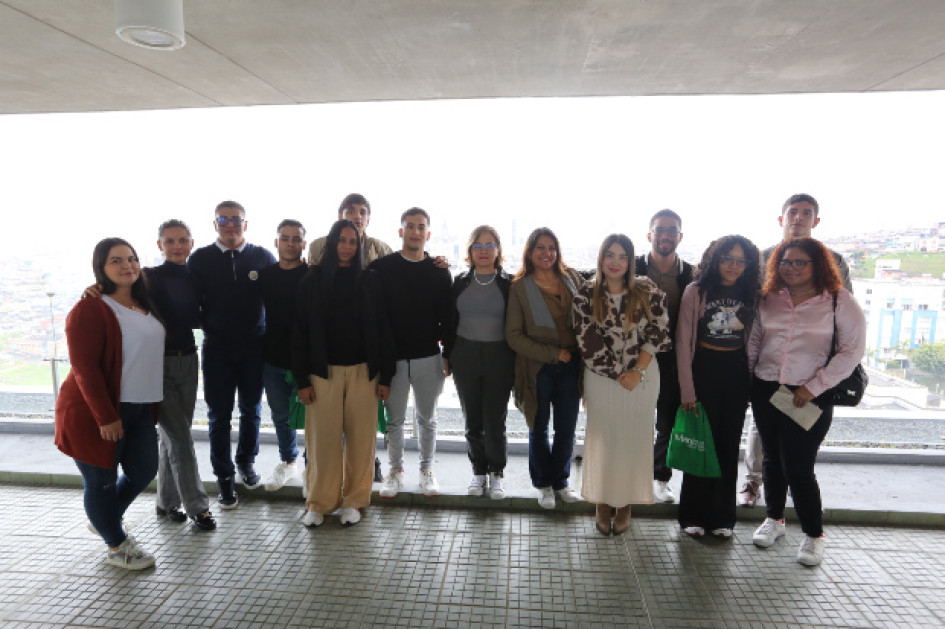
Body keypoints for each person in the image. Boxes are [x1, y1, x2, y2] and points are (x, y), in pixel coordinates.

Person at [748, 237, 865, 566]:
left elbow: (851, 351)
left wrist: (814, 386)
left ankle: (814, 535)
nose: (792, 268)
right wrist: (748, 380)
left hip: (808, 396)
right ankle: (775, 520)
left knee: (798, 467)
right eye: (786, 262)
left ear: (819, 265)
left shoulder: (838, 301)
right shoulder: (769, 298)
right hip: (767, 388)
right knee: (771, 458)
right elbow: (756, 339)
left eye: (801, 262)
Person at [55, 238, 164, 570]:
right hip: (95, 411)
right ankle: (116, 545)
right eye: (116, 260)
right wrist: (105, 416)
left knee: (144, 469)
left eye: (131, 258)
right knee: (101, 480)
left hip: (141, 407)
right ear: (100, 266)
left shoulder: (145, 303)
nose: (126, 265)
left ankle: (105, 518)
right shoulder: (90, 307)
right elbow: (84, 368)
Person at [740, 193, 853, 507]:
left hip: (810, 370)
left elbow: (843, 315)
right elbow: (753, 311)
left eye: (806, 213)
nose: (798, 218)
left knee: (800, 439)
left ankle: (794, 483)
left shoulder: (834, 261)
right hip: (769, 363)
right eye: (792, 212)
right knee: (760, 430)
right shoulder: (762, 258)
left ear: (816, 221)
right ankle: (753, 484)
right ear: (781, 219)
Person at [293, 220, 394, 526]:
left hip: (365, 372)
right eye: (342, 240)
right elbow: (299, 332)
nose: (348, 246)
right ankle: (318, 503)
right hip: (323, 374)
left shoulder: (371, 280)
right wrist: (302, 379)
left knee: (362, 442)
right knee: (322, 443)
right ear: (332, 243)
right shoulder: (312, 281)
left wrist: (386, 376)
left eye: (353, 241)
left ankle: (354, 500)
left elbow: (383, 328)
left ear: (360, 245)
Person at [573, 234, 670, 534]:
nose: (615, 262)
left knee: (634, 439)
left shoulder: (646, 290)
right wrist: (620, 373)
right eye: (609, 255)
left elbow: (660, 329)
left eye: (622, 256)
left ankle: (625, 503)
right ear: (601, 259)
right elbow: (587, 343)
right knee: (605, 438)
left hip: (642, 377)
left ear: (630, 260)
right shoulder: (585, 295)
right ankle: (603, 502)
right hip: (602, 378)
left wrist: (636, 371)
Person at [187, 200, 276, 508]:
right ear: (215, 225)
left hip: (255, 346)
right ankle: (224, 477)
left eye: (236, 219)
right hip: (217, 347)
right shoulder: (199, 259)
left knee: (251, 410)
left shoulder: (262, 257)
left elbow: (278, 297)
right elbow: (188, 302)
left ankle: (246, 463)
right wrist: (212, 323)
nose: (230, 225)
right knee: (218, 415)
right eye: (223, 220)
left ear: (245, 224)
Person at [675, 235, 761, 538]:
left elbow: (754, 342)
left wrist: (749, 388)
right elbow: (683, 344)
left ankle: (722, 518)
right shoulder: (696, 291)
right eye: (727, 258)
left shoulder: (752, 292)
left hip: (736, 373)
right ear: (715, 259)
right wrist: (687, 390)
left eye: (741, 260)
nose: (733, 265)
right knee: (700, 444)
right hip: (703, 370)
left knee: (727, 447)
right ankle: (692, 515)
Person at [371, 208, 452, 497]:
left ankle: (426, 470)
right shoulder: (382, 268)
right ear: (401, 231)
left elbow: (449, 316)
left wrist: (448, 354)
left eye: (421, 227)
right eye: (410, 226)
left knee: (427, 419)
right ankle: (395, 471)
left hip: (428, 356)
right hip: (392, 360)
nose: (415, 232)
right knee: (394, 420)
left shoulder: (439, 271)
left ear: (428, 234)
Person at [506, 227, 585, 509]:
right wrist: (553, 353)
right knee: (538, 427)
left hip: (572, 365)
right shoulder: (519, 287)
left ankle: (561, 481)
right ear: (530, 251)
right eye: (540, 247)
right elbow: (513, 336)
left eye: (551, 247)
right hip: (537, 367)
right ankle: (543, 484)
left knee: (567, 427)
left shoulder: (571, 279)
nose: (546, 253)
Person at [149, 221, 216, 530]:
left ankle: (165, 502)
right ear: (160, 245)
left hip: (188, 360)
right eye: (170, 241)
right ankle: (198, 507)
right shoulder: (148, 277)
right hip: (156, 364)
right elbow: (117, 296)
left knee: (173, 437)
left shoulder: (197, 278)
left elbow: (202, 315)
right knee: (180, 437)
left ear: (191, 243)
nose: (176, 245)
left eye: (182, 240)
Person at [443, 225, 514, 500]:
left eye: (489, 245)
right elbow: (449, 322)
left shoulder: (509, 283)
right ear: (469, 251)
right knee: (472, 419)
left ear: (498, 251)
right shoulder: (459, 281)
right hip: (465, 356)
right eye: (478, 245)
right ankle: (478, 472)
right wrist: (447, 355)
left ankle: (497, 473)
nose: (483, 251)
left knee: (495, 420)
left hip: (500, 357)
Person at [636, 209, 694, 504]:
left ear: (680, 237)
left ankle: (661, 477)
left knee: (667, 423)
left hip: (672, 357)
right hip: (634, 357)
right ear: (650, 235)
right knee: (635, 418)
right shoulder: (631, 267)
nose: (665, 235)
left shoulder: (691, 274)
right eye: (660, 230)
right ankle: (632, 477)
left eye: (672, 230)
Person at [259, 219, 309, 491]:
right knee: (280, 415)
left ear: (304, 243)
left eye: (296, 238)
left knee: (313, 418)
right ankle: (288, 462)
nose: (291, 243)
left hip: (308, 361)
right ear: (276, 242)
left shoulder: (313, 276)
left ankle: (312, 467)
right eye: (285, 238)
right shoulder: (265, 276)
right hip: (273, 357)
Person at [308, 193, 393, 267]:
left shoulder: (381, 249)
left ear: (368, 221)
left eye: (362, 213)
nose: (358, 216)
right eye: (351, 212)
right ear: (340, 217)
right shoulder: (318, 247)